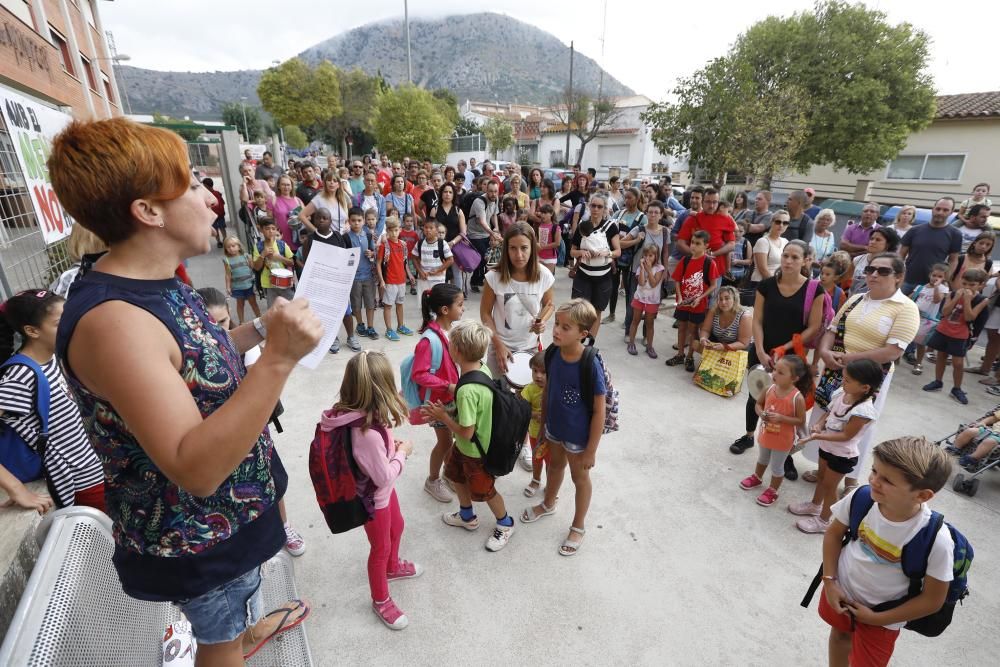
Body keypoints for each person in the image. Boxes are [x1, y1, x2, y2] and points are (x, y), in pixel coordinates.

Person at [50, 118, 320, 664]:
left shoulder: (155, 282)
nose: (212, 200)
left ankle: (247, 630)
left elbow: (193, 360)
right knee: (220, 645)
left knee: (235, 619)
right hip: (199, 541)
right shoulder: (115, 322)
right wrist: (280, 358)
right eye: (194, 187)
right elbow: (192, 466)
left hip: (231, 524)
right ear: (148, 211)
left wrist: (262, 329)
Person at [817, 437, 953, 667]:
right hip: (842, 590)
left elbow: (932, 600)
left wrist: (877, 619)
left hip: (884, 616)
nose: (873, 481)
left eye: (887, 480)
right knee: (839, 636)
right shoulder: (862, 498)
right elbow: (833, 533)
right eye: (874, 471)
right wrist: (830, 581)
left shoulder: (936, 540)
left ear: (922, 495)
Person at [805, 253, 920, 496]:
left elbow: (892, 351)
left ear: (899, 277)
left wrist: (848, 360)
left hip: (868, 380)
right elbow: (832, 329)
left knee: (855, 426)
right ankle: (823, 469)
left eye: (883, 271)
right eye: (870, 269)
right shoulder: (856, 299)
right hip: (836, 370)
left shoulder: (906, 308)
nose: (874, 274)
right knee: (828, 417)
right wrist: (825, 352)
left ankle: (848, 480)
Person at [321, 351, 419, 630]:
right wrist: (403, 453)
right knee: (380, 547)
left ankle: (393, 567)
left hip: (383, 492)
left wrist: (391, 447)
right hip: (373, 501)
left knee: (397, 527)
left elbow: (376, 457)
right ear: (380, 389)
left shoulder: (365, 416)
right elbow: (384, 475)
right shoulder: (366, 433)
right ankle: (381, 600)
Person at [727, 240, 825, 482]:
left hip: (792, 357)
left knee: (788, 403)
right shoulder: (768, 285)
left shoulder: (815, 289)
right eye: (786, 256)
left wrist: (785, 348)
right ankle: (750, 435)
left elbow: (813, 327)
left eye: (795, 257)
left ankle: (786, 453)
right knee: (757, 396)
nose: (789, 261)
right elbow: (757, 320)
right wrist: (759, 349)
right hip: (763, 348)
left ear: (805, 260)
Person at [0, 290, 104, 513]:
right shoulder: (21, 375)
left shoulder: (53, 358)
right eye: (59, 323)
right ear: (32, 331)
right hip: (80, 486)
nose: (71, 325)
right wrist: (16, 488)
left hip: (98, 473)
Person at [521, 299, 607, 556]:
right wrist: (545, 425)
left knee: (579, 478)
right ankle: (548, 503)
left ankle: (578, 526)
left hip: (579, 437)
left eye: (565, 327)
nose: (556, 330)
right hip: (554, 429)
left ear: (583, 333)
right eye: (557, 324)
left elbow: (599, 409)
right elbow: (548, 391)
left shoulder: (589, 363)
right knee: (554, 466)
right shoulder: (553, 353)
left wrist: (591, 450)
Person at [423, 320, 517, 552]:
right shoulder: (480, 368)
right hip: (464, 448)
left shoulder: (466, 392)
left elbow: (466, 430)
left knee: (486, 491)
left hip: (475, 450)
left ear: (457, 351)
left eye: (451, 344)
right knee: (455, 475)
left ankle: (505, 523)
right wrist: (448, 388)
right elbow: (471, 388)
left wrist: (443, 416)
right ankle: (467, 516)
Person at [790, 359, 883, 533]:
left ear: (865, 388)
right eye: (844, 378)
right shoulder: (842, 393)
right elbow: (828, 413)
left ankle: (824, 521)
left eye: (848, 380)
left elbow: (847, 435)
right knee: (822, 479)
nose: (842, 382)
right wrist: (819, 424)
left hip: (842, 455)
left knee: (830, 487)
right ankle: (814, 505)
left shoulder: (863, 411)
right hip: (827, 447)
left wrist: (817, 435)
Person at [481, 222, 555, 393]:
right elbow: (485, 314)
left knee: (527, 400)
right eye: (513, 248)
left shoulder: (544, 275)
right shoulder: (494, 277)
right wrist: (498, 345)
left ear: (533, 248)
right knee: (499, 398)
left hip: (530, 348)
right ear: (506, 249)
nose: (519, 254)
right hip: (499, 347)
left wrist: (542, 321)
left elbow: (549, 305)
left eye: (524, 248)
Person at [411, 284, 463, 504]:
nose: (463, 309)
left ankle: (448, 473)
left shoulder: (447, 332)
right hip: (438, 403)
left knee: (451, 440)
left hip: (450, 399)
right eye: (459, 305)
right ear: (444, 309)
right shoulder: (428, 340)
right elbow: (419, 374)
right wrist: (448, 385)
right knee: (444, 443)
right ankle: (432, 480)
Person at [738, 354, 811, 507]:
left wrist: (781, 418)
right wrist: (760, 413)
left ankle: (773, 490)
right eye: (775, 370)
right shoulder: (769, 388)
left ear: (795, 378)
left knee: (777, 466)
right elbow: (758, 404)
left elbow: (801, 421)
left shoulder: (797, 398)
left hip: (783, 440)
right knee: (762, 459)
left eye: (781, 372)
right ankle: (757, 477)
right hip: (766, 434)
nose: (774, 374)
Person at [922, 268, 989, 405]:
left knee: (958, 363)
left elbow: (970, 317)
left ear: (981, 285)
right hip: (944, 330)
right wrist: (957, 297)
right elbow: (945, 312)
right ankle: (938, 381)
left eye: (972, 285)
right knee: (941, 356)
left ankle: (956, 388)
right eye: (964, 284)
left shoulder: (982, 300)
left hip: (960, 334)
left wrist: (967, 300)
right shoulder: (951, 294)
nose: (967, 287)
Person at [302, 208, 362, 354]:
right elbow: (306, 261)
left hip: (337, 282)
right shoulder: (310, 239)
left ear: (330, 221)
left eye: (325, 218)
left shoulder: (337, 236)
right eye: (318, 218)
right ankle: (332, 338)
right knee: (327, 313)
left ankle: (351, 336)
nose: (321, 220)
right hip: (321, 283)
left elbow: (345, 256)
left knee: (346, 312)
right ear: (314, 221)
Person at [666, 231, 719, 371]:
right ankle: (680, 354)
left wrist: (700, 298)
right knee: (681, 327)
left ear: (706, 246)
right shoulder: (686, 260)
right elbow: (677, 280)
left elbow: (713, 285)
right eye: (692, 242)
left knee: (693, 330)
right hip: (684, 303)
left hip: (698, 304)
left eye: (698, 243)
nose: (693, 246)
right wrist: (680, 297)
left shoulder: (709, 263)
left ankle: (690, 356)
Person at [570, 196, 621, 337]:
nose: (596, 209)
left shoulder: (611, 227)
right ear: (589, 207)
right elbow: (572, 251)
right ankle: (577, 340)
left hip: (603, 278)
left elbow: (618, 251)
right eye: (593, 206)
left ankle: (590, 343)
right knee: (579, 310)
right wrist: (581, 252)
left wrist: (607, 252)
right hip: (583, 276)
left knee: (596, 311)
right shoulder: (582, 226)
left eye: (600, 206)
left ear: (605, 209)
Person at [899, 197, 962, 295]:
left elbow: (953, 260)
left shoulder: (955, 234)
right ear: (933, 209)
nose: (940, 212)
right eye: (938, 209)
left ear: (951, 212)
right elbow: (901, 255)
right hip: (907, 281)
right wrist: (899, 275)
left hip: (932, 286)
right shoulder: (914, 230)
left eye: (945, 210)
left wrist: (945, 279)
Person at [375, 218, 415, 342]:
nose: (394, 233)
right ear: (387, 231)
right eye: (391, 231)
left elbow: (405, 262)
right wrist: (381, 280)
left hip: (401, 281)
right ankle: (389, 330)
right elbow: (378, 263)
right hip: (390, 281)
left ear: (400, 230)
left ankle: (401, 326)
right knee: (387, 306)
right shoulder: (384, 246)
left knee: (400, 304)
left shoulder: (403, 245)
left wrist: (410, 275)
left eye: (396, 230)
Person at [909, 263, 950, 376]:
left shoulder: (943, 288)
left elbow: (937, 300)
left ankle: (918, 363)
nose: (936, 278)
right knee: (905, 338)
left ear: (944, 278)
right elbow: (911, 298)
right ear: (929, 275)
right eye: (934, 275)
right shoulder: (921, 287)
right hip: (914, 316)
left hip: (927, 320)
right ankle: (894, 359)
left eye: (940, 276)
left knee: (921, 343)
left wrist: (936, 287)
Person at [626, 245, 666, 358]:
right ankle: (631, 343)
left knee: (650, 323)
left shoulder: (660, 268)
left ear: (656, 256)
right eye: (646, 255)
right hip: (640, 298)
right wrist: (643, 269)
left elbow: (653, 283)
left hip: (652, 300)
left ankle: (649, 346)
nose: (648, 258)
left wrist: (648, 269)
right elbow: (642, 283)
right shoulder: (640, 268)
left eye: (651, 255)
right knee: (635, 320)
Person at [345, 207, 378, 340]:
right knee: (356, 303)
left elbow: (375, 254)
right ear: (349, 221)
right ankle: (360, 324)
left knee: (370, 303)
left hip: (368, 276)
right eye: (353, 221)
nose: (356, 223)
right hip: (353, 278)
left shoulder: (369, 236)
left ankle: (370, 327)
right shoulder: (345, 238)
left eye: (359, 220)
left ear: (364, 221)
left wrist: (372, 254)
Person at [520, 351, 549, 498]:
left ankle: (551, 485)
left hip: (553, 436)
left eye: (544, 372)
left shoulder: (556, 389)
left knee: (552, 463)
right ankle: (536, 480)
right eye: (535, 371)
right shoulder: (529, 389)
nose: (538, 375)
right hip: (535, 433)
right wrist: (534, 414)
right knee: (537, 458)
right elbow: (521, 411)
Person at [698, 285, 753, 357]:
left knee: (727, 357)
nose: (723, 302)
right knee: (695, 344)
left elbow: (744, 343)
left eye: (727, 298)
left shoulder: (744, 316)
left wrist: (725, 347)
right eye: (720, 299)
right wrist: (703, 339)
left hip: (739, 347)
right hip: (720, 343)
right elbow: (705, 330)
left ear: (735, 299)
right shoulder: (714, 311)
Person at [467, 180, 502, 292]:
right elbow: (482, 221)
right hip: (475, 234)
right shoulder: (479, 201)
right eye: (491, 191)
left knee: (489, 258)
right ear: (486, 190)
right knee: (483, 258)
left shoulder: (495, 199)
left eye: (495, 191)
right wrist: (493, 234)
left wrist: (496, 228)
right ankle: (474, 281)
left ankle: (482, 279)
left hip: (486, 233)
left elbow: (494, 215)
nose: (493, 194)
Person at [252, 220, 295, 307]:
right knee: (273, 308)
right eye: (267, 229)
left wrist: (279, 258)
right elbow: (256, 267)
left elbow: (292, 263)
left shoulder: (282, 245)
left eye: (273, 229)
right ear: (261, 230)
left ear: (276, 230)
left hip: (284, 282)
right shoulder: (258, 247)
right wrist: (262, 255)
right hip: (268, 283)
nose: (270, 231)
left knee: (290, 306)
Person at [849, 228, 900, 296]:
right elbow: (847, 281)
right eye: (871, 239)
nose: (872, 242)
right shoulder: (858, 259)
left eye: (878, 240)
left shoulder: (893, 265)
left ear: (888, 244)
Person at [298, 168, 351, 234]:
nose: (332, 182)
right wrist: (316, 232)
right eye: (329, 180)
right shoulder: (319, 199)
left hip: (342, 239)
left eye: (335, 181)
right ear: (325, 183)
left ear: (338, 185)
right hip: (328, 240)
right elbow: (301, 216)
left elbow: (346, 219)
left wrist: (347, 224)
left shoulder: (342, 198)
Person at [222, 236, 261, 324]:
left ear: (239, 246)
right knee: (240, 304)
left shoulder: (246, 256)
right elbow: (228, 275)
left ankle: (260, 318)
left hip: (249, 285)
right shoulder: (227, 260)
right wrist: (228, 287)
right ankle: (241, 322)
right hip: (237, 287)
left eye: (233, 246)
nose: (231, 248)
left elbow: (253, 267)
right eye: (228, 247)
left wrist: (252, 260)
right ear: (225, 249)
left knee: (253, 303)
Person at [412, 218, 454, 296]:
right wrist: (420, 272)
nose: (428, 230)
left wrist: (438, 270)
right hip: (423, 279)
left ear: (436, 230)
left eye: (431, 228)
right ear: (423, 229)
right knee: (424, 303)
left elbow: (450, 260)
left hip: (438, 280)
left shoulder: (442, 244)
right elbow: (414, 257)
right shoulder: (420, 243)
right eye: (426, 227)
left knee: (437, 302)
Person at [750, 211, 790, 286]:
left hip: (778, 282)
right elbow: (763, 269)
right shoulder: (763, 241)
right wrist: (776, 285)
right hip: (761, 283)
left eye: (785, 223)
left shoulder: (785, 242)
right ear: (771, 222)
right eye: (778, 222)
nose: (781, 225)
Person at [353, 171, 388, 237]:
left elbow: (382, 217)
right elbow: (357, 218)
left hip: (379, 232)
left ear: (375, 182)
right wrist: (368, 233)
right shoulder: (357, 198)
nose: (370, 183)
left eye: (372, 180)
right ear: (363, 181)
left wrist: (376, 233)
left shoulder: (381, 199)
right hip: (362, 232)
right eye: (367, 180)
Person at [534, 204, 561, 275]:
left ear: (551, 214)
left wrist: (542, 247)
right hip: (539, 257)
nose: (542, 215)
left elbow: (557, 243)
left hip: (550, 258)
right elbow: (536, 239)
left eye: (545, 213)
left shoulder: (555, 227)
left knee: (548, 280)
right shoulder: (538, 225)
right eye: (542, 213)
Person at [809, 208, 837, 275]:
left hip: (820, 270)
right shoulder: (809, 231)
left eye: (828, 220)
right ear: (818, 219)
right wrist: (812, 262)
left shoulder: (830, 236)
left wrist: (825, 262)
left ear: (831, 222)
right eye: (822, 219)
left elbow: (830, 254)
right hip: (806, 266)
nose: (825, 222)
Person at [203, 177, 227, 248]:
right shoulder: (218, 193)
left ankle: (219, 242)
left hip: (212, 215)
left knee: (215, 228)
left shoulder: (207, 195)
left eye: (204, 186)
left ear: (207, 186)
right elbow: (223, 202)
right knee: (222, 228)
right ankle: (225, 240)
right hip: (220, 214)